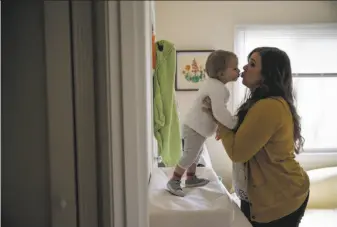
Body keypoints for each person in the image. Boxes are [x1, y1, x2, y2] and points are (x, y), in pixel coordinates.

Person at [203, 47, 310, 227]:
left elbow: (237, 152)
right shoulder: (261, 103)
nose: (244, 67)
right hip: (269, 194)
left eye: (252, 64)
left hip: (281, 198)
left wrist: (220, 120)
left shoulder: (269, 106)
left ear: (268, 74)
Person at [167, 50, 240, 197]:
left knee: (197, 153)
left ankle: (191, 178)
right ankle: (174, 180)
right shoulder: (219, 89)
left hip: (196, 127)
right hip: (195, 126)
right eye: (235, 68)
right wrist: (233, 123)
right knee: (190, 154)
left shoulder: (212, 84)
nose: (239, 71)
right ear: (221, 74)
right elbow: (219, 111)